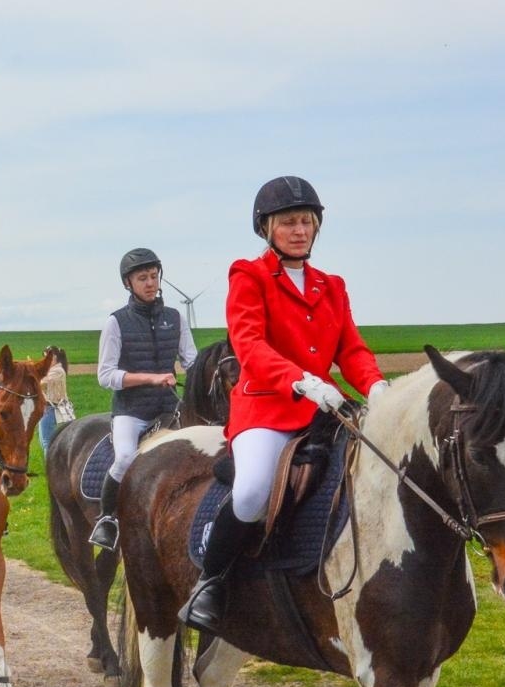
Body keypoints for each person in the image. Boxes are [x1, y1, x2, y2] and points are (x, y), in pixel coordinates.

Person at [179, 176, 389, 633]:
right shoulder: (248, 275)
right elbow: (248, 344)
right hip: (267, 409)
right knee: (253, 490)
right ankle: (210, 583)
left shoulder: (331, 285)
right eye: (289, 222)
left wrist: (375, 388)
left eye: (306, 222)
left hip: (326, 407)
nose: (299, 230)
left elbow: (350, 349)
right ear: (267, 228)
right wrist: (301, 381)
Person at [90, 249, 198, 550]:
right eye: (142, 278)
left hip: (169, 407)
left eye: (153, 276)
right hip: (132, 411)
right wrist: (150, 378)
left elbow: (191, 362)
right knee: (125, 457)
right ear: (129, 283)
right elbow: (105, 375)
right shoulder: (116, 323)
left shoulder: (175, 318)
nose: (150, 283)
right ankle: (107, 519)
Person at [38, 347, 74, 456]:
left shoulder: (58, 371)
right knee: (45, 441)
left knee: (47, 442)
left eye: (47, 357)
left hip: (50, 409)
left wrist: (34, 374)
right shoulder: (53, 370)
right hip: (47, 409)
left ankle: (51, 469)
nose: (45, 360)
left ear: (54, 357)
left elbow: (41, 383)